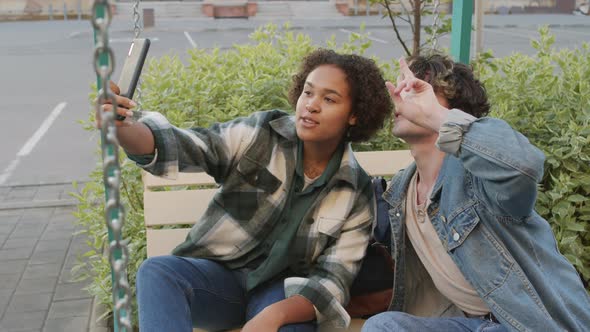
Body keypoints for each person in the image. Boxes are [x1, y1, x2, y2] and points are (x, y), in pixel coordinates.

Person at [96, 49, 393, 331]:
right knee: (157, 272)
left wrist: (274, 315)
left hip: (282, 292)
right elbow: (188, 147)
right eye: (308, 91)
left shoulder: (356, 192)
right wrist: (123, 128)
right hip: (218, 282)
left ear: (355, 114)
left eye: (329, 99)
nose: (311, 104)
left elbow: (333, 282)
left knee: (290, 326)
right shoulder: (264, 134)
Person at [362, 53, 590, 332]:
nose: (402, 96)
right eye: (401, 88)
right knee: (384, 326)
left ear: (454, 111)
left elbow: (525, 165)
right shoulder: (401, 190)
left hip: (527, 323)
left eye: (419, 91)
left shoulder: (481, 174)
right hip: (468, 324)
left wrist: (435, 116)